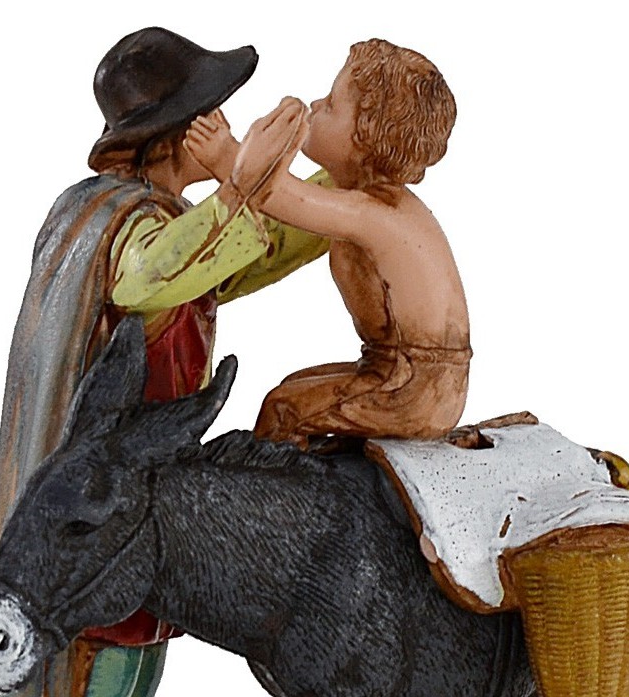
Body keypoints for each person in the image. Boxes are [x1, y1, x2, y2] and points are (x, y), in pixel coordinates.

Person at [0, 27, 325, 697]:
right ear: (175, 132)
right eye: (206, 116)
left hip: (141, 513)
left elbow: (239, 257)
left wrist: (335, 200)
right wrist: (242, 180)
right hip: (88, 522)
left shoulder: (159, 221)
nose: (218, 126)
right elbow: (160, 272)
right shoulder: (117, 226)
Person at [187, 39, 469, 447]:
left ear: (368, 139)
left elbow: (285, 199)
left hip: (417, 387)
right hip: (394, 368)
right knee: (293, 385)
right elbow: (292, 197)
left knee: (282, 409)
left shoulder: (375, 213)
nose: (316, 106)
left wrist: (226, 157)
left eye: (333, 105)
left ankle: (278, 487)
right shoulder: (366, 200)